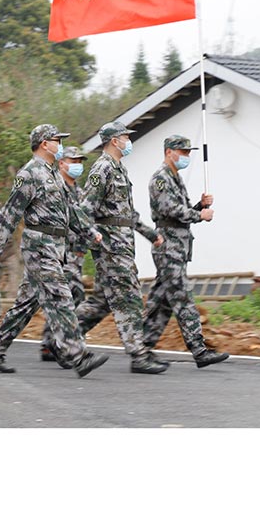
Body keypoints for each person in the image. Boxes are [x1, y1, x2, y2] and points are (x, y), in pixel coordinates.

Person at [0, 124, 108, 378]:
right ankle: (77, 355)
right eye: (56, 140)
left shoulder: (53, 173)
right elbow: (11, 210)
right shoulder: (30, 173)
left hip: (55, 245)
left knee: (26, 303)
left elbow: (70, 210)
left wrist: (88, 230)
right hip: (39, 245)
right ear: (43, 143)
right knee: (61, 296)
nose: (60, 145)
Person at [83, 122, 167, 373]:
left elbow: (127, 213)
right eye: (125, 137)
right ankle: (138, 355)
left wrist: (149, 234)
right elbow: (85, 208)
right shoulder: (102, 168)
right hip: (111, 246)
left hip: (122, 244)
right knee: (129, 297)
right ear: (113, 141)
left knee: (101, 302)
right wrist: (92, 237)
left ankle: (61, 338)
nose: (128, 141)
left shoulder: (119, 168)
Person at [140, 133, 228, 365]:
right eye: (183, 152)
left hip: (177, 247)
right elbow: (171, 210)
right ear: (169, 152)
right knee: (182, 296)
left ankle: (141, 348)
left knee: (161, 301)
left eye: (188, 152)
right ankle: (199, 350)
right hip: (168, 246)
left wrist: (199, 205)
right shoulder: (160, 179)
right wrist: (200, 215)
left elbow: (183, 209)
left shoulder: (175, 178)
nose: (187, 156)